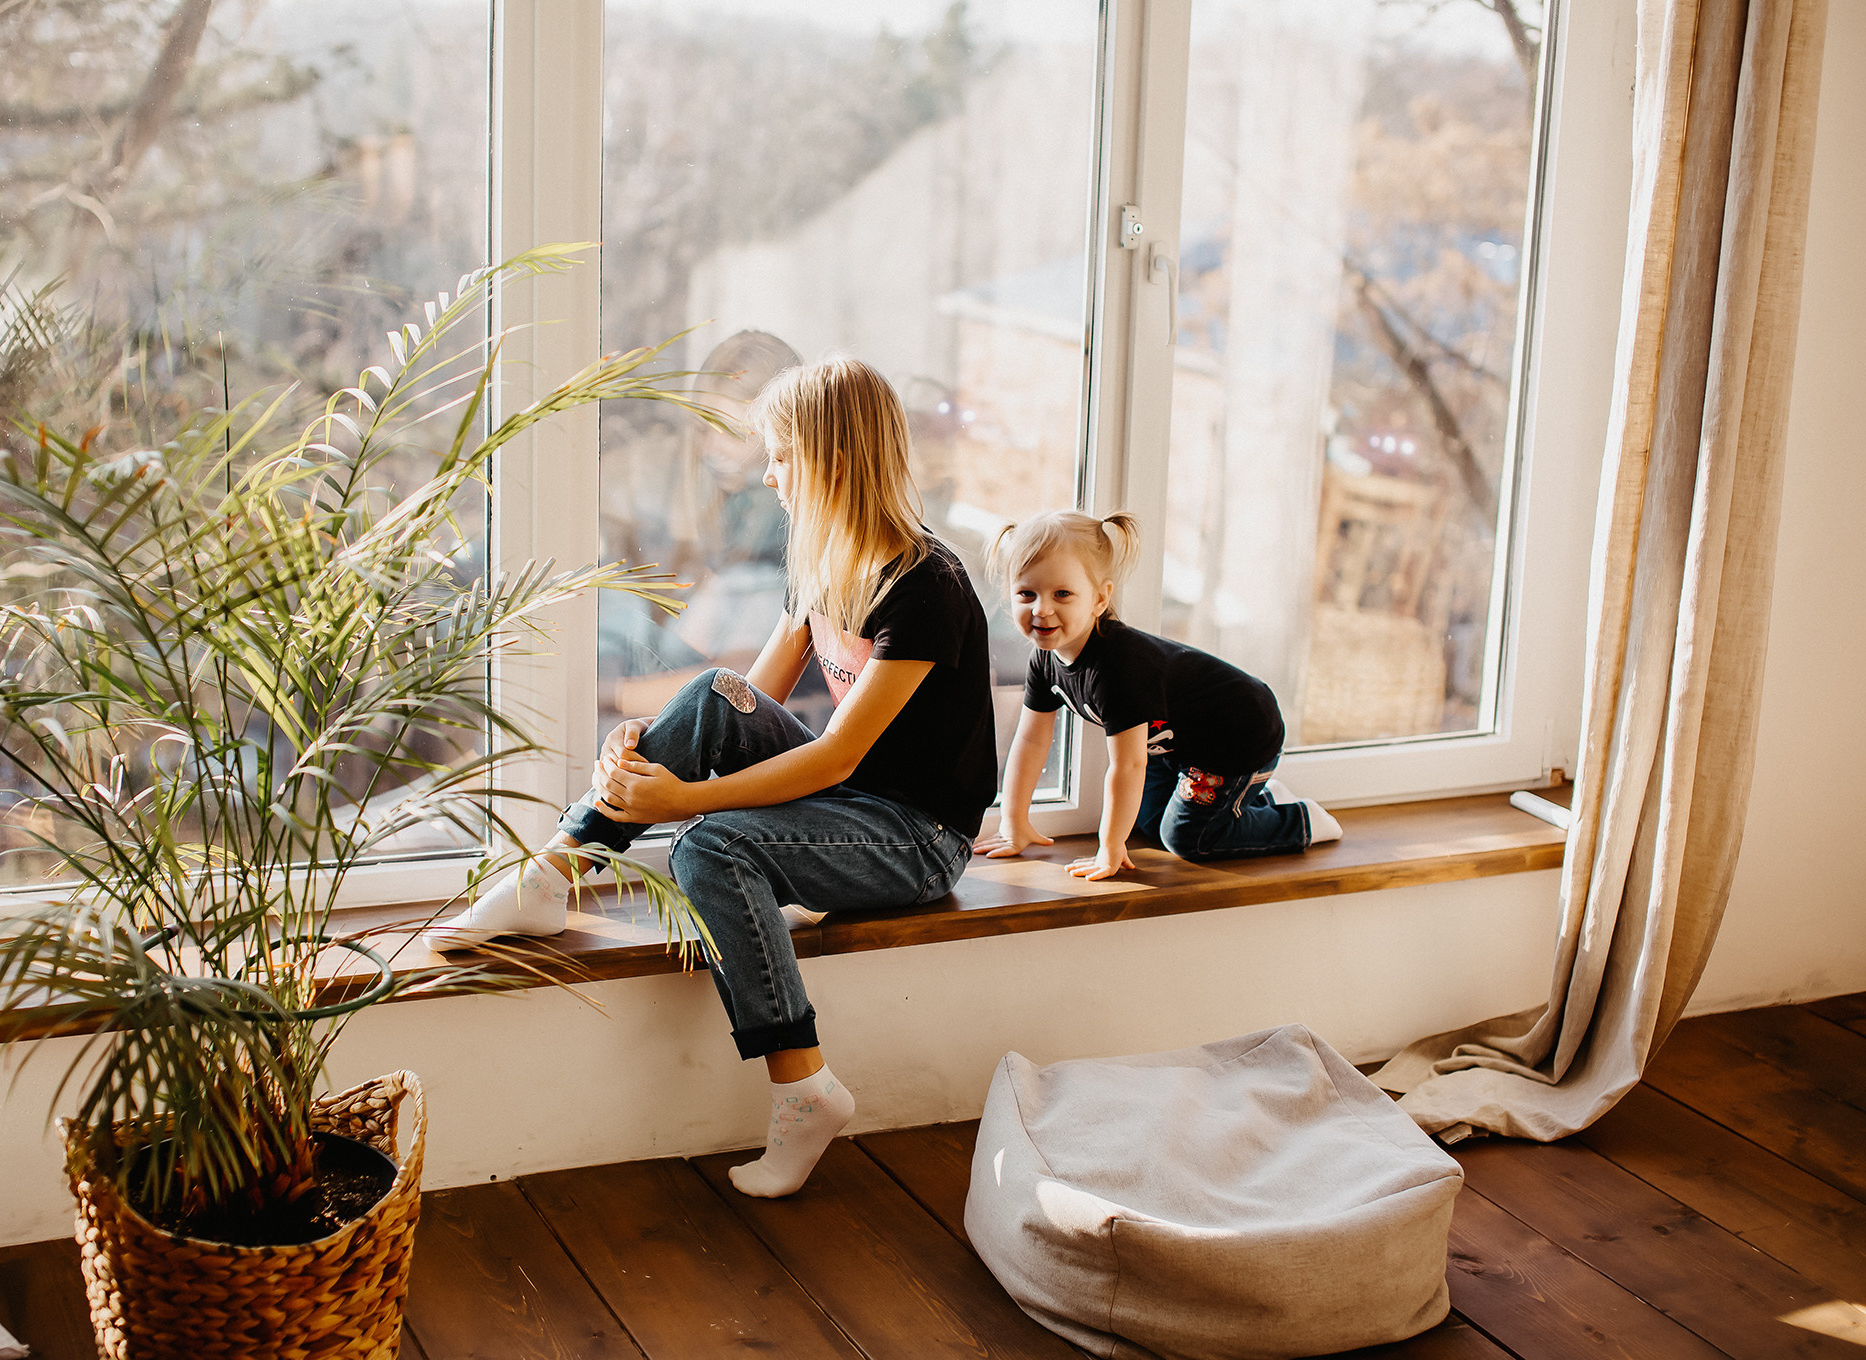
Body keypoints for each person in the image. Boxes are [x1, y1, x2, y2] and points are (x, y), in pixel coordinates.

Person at [426, 356, 998, 1198]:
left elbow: (837, 755)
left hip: (918, 836)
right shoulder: (822, 564)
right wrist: (648, 744)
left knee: (709, 848)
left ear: (833, 460)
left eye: (780, 457)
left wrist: (682, 800)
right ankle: (554, 871)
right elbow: (747, 699)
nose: (767, 476)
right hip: (849, 805)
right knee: (707, 696)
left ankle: (804, 1091)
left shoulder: (926, 588)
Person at [973, 510, 1341, 880]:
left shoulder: (1117, 668)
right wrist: (1013, 821)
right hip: (1176, 748)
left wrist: (1109, 848)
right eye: (1026, 593)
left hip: (1238, 736)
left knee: (1185, 837)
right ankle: (1247, 801)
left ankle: (1300, 819)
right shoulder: (1045, 660)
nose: (1041, 609)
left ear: (1100, 600)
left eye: (1063, 594)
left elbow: (1129, 765)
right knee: (1148, 819)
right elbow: (1032, 739)